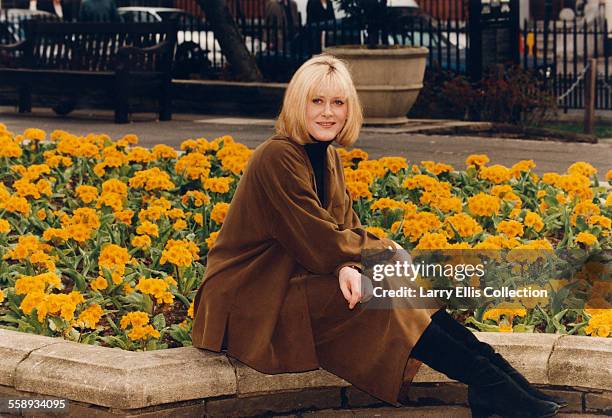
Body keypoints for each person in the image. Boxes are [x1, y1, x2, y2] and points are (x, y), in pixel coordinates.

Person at [191, 54, 567, 417]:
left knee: (396, 283)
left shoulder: (326, 154)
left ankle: (498, 378)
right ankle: (492, 384)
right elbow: (318, 238)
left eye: (338, 102)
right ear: (297, 104)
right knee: (382, 292)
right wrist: (380, 250)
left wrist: (353, 263)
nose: (328, 112)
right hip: (252, 294)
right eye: (316, 101)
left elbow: (345, 227)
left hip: (295, 273)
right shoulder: (278, 157)